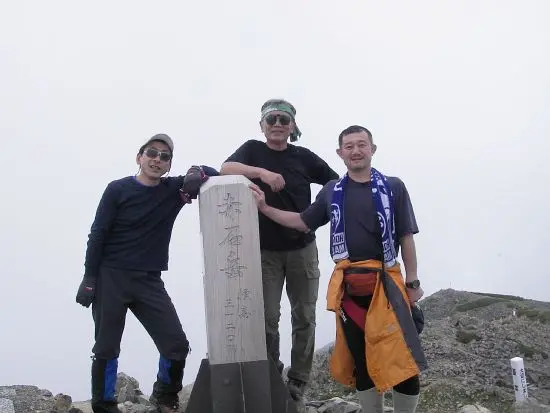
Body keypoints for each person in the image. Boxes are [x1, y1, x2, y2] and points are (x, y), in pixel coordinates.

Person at [248, 125, 428, 413]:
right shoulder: (332, 191)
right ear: (340, 153)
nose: (356, 151)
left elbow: (406, 235)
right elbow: (302, 221)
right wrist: (265, 208)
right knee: (361, 361)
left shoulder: (394, 187)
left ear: (372, 149)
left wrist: (413, 282)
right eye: (349, 146)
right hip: (350, 291)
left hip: (388, 287)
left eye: (361, 144)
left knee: (403, 363)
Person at [75, 133, 219, 413]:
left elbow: (213, 173)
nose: (157, 160)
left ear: (169, 164)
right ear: (139, 157)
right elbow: (98, 234)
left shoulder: (173, 189)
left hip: (149, 280)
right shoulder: (117, 189)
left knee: (176, 344)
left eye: (165, 157)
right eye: (151, 153)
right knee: (106, 346)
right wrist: (89, 277)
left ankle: (165, 396)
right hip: (111, 276)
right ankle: (104, 405)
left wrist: (196, 172)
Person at [220, 99, 339, 401]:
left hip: (302, 248)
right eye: (271, 119)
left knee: (305, 316)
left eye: (283, 120)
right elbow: (225, 169)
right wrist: (262, 173)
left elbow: (336, 184)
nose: (277, 124)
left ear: (292, 126)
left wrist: (315, 214)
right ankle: (273, 371)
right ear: (261, 125)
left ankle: (298, 379)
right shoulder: (252, 150)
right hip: (264, 252)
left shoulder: (303, 156)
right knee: (266, 316)